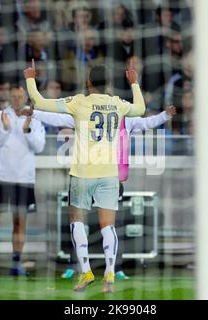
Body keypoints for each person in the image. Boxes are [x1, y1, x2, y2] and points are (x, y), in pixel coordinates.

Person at [24, 61, 145, 293]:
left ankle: (86, 272)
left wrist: (31, 78)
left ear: (88, 82)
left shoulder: (79, 102)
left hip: (82, 173)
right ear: (109, 84)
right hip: (109, 174)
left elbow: (39, 102)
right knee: (107, 225)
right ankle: (109, 274)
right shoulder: (117, 104)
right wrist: (134, 83)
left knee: (77, 220)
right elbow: (140, 109)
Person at [28, 105, 176, 280]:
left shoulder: (124, 119)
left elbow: (147, 123)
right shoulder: (84, 113)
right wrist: (35, 112)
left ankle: (115, 267)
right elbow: (59, 118)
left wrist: (165, 115)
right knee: (80, 222)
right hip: (87, 176)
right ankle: (75, 265)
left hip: (108, 177)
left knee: (113, 224)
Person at [0, 86, 46, 276]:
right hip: (0, 178)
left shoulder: (34, 118)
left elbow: (39, 147)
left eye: (20, 96)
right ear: (9, 97)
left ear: (26, 97)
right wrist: (6, 129)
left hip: (23, 179)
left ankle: (16, 264)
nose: (16, 99)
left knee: (19, 221)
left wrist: (27, 129)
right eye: (13, 96)